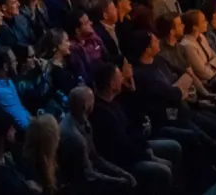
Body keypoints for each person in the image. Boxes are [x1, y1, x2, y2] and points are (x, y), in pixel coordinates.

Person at [90, 61, 180, 194]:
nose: (123, 79)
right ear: (112, 84)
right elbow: (122, 146)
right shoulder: (102, 113)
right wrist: (149, 156)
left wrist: (132, 92)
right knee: (163, 170)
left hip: (136, 145)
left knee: (174, 146)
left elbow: (131, 125)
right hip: (124, 160)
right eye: (119, 76)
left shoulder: (115, 101)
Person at [58, 86, 137, 192]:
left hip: (93, 173)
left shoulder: (83, 121)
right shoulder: (75, 138)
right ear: (86, 106)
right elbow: (89, 176)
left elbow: (95, 156)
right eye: (92, 99)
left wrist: (121, 173)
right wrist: (118, 180)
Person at [0, 46, 29, 130]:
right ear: (5, 66)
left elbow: (20, 109)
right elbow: (20, 122)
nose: (16, 63)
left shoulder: (9, 81)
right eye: (14, 61)